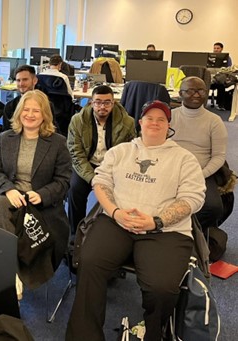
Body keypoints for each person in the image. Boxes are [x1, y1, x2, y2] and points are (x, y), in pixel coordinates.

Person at [66, 101, 206, 341]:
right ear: (140, 122)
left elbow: (193, 198)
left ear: (168, 126)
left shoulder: (184, 158)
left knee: (161, 287)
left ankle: (152, 333)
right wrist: (115, 211)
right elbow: (101, 183)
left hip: (165, 230)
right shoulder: (120, 152)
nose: (154, 122)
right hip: (116, 221)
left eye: (161, 119)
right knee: (89, 263)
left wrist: (156, 221)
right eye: (149, 118)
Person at [0, 90, 71, 289]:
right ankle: (11, 273)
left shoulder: (58, 143)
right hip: (11, 199)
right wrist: (8, 189)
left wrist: (41, 195)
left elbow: (64, 180)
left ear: (45, 115)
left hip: (41, 207)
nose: (30, 115)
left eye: (36, 111)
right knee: (0, 203)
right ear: (19, 112)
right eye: (26, 109)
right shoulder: (6, 138)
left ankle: (5, 272)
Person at [66, 85, 136, 234]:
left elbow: (130, 152)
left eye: (107, 102)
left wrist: (107, 176)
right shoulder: (78, 121)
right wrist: (92, 178)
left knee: (122, 193)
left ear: (113, 103)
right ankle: (75, 231)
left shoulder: (127, 122)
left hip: (112, 167)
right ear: (91, 103)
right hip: (86, 163)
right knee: (75, 189)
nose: (102, 106)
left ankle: (113, 231)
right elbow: (75, 152)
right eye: (98, 102)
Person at [171, 76, 227, 231]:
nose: (196, 94)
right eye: (191, 90)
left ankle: (189, 232)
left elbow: (219, 156)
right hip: (170, 171)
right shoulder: (170, 117)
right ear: (181, 93)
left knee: (214, 208)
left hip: (201, 173)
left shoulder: (214, 121)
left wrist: (200, 174)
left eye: (201, 90)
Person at [2, 64, 38, 131]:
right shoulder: (10, 106)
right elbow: (6, 134)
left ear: (35, 81)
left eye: (25, 80)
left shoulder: (45, 105)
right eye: (18, 80)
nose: (21, 84)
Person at [211, 42, 233, 110]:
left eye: (218, 48)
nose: (216, 50)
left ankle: (220, 105)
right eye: (214, 48)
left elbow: (229, 69)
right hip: (211, 78)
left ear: (221, 49)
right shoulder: (210, 57)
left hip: (220, 79)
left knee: (221, 85)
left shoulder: (227, 58)